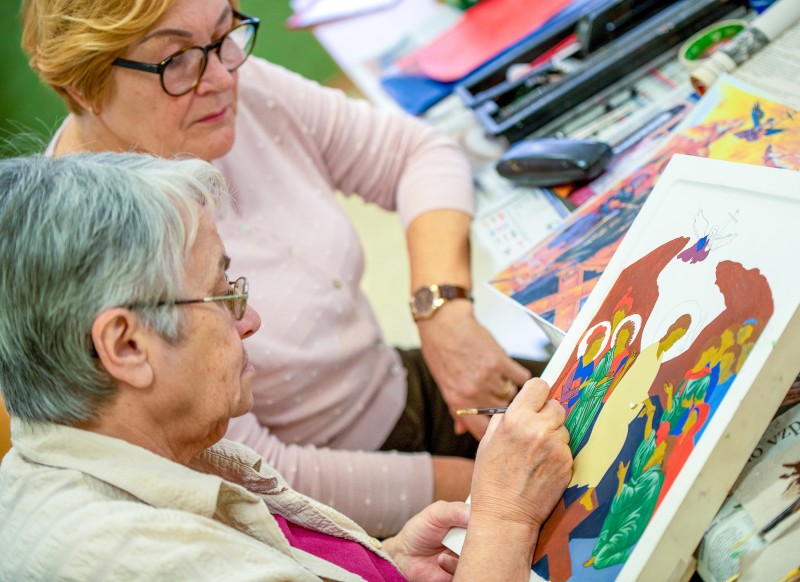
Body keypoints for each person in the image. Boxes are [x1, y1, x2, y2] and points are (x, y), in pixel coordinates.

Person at [21, 0, 547, 535]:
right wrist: (491, 488)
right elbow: (262, 477)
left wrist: (442, 312)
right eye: (175, 59)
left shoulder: (223, 84)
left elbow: (417, 153)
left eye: (225, 33)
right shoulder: (89, 255)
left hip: (398, 387)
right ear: (82, 87)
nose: (223, 77)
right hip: (341, 516)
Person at [0, 152, 572, 581]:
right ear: (126, 346)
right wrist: (505, 519)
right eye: (222, 294)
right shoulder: (149, 562)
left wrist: (385, 562)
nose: (250, 321)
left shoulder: (128, 446)